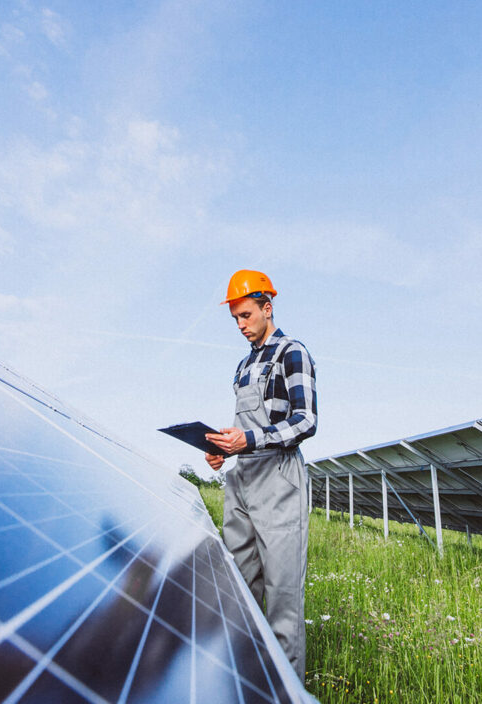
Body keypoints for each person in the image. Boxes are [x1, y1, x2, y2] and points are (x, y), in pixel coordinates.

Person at [205, 269, 317, 680]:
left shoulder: (292, 352)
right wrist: (221, 450)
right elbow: (247, 429)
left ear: (267, 308)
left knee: (283, 600)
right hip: (242, 482)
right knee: (238, 592)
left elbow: (306, 422)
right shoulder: (243, 364)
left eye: (246, 315)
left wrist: (249, 440)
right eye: (235, 318)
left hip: (279, 484)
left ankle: (286, 690)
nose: (240, 326)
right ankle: (246, 684)